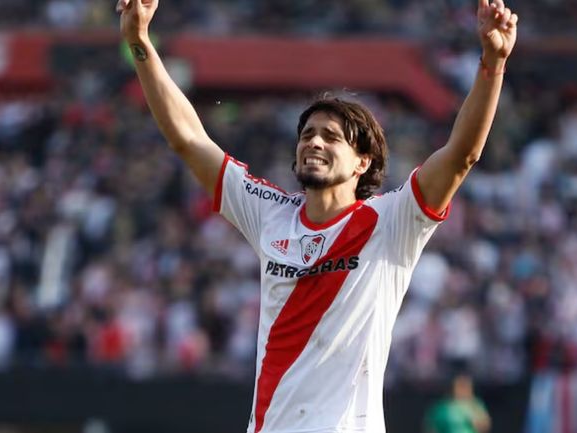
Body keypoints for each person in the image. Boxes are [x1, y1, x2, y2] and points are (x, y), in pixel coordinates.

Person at [116, 0, 518, 432]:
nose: (314, 143)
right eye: (307, 134)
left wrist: (492, 64)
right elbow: (190, 140)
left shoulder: (392, 222)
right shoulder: (271, 213)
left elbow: (461, 155)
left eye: (331, 137)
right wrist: (140, 43)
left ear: (362, 162)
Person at [424, 373, 491, 433]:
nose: (463, 390)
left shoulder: (476, 405)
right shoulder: (442, 407)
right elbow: (432, 427)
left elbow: (485, 426)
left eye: (466, 386)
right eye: (461, 386)